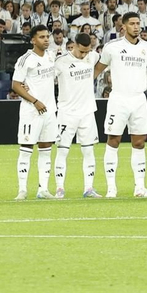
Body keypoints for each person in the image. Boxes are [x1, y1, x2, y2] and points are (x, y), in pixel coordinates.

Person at [98, 12, 147, 198]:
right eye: (132, 23)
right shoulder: (112, 47)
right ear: (123, 26)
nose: (136, 27)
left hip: (139, 98)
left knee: (139, 142)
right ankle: (111, 188)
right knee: (113, 140)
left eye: (138, 23)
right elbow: (98, 69)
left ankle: (139, 187)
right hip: (119, 98)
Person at [11, 25, 59, 201]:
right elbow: (16, 85)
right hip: (31, 111)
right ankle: (22, 189)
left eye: (47, 36)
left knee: (46, 149)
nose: (46, 39)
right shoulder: (26, 59)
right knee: (26, 149)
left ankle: (43, 189)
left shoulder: (51, 56)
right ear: (33, 40)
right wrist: (35, 101)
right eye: (41, 37)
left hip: (50, 111)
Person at [51, 31, 101, 198]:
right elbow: (46, 79)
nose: (84, 54)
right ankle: (59, 188)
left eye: (87, 51)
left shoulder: (92, 57)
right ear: (73, 45)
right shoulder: (61, 62)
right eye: (81, 51)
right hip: (67, 113)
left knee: (88, 151)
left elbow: (103, 64)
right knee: (63, 150)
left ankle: (89, 188)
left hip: (87, 112)